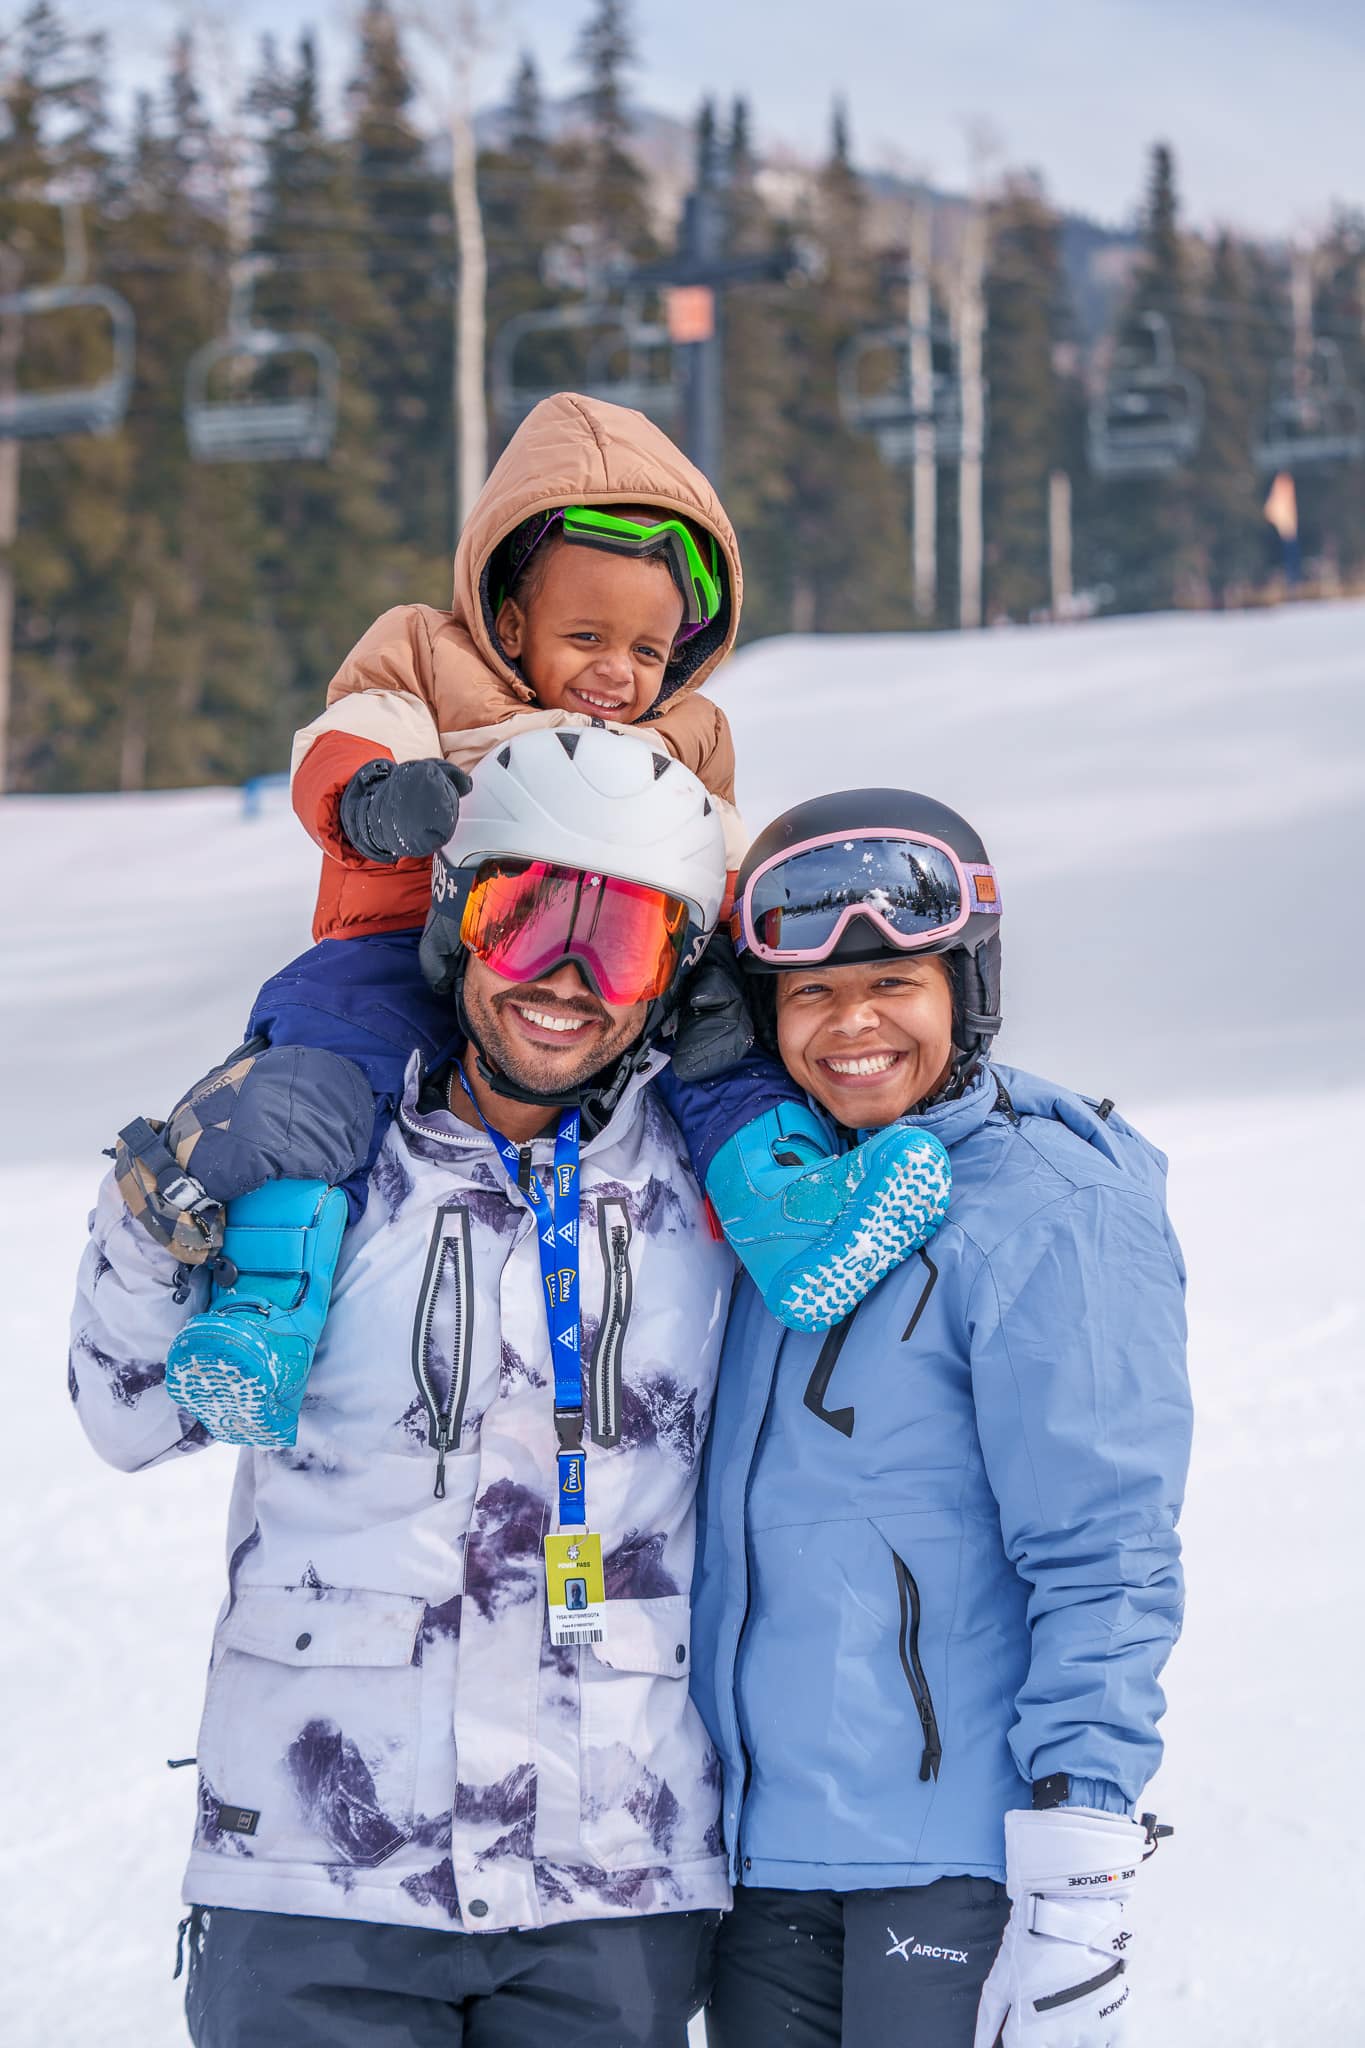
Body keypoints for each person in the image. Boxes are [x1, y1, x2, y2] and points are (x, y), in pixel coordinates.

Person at [70, 729, 746, 2046]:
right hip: (319, 1864)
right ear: (455, 918)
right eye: (527, 917)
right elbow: (128, 1416)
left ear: (675, 976)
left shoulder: (703, 1192)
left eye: (619, 945)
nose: (564, 976)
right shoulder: (320, 1161)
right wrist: (162, 1206)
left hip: (611, 1870)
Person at [116, 394, 947, 1451]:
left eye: (647, 649)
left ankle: (792, 1216)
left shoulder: (684, 733)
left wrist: (762, 937)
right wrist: (374, 795)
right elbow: (349, 726)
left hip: (622, 959)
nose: (617, 673)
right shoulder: (431, 654)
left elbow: (726, 848)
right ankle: (267, 1312)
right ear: (511, 620)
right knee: (313, 1078)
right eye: (587, 636)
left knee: (720, 1053)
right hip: (409, 943)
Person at [689, 787, 1193, 2048]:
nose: (852, 1024)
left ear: (968, 984)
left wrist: (1080, 1874)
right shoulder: (781, 1201)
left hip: (954, 1857)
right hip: (763, 1862)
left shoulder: (1049, 1202)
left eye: (894, 982)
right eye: (809, 995)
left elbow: (1105, 1549)